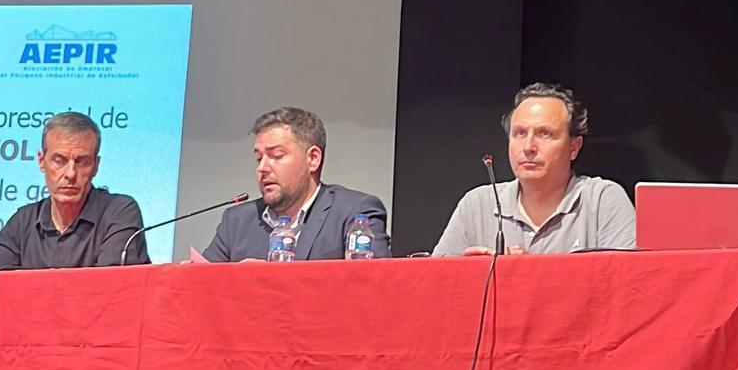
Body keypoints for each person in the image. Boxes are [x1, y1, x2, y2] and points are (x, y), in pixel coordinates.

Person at [432, 82, 634, 256]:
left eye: (544, 134)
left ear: (574, 147)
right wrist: (472, 274)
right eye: (519, 133)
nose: (528, 147)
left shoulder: (602, 201)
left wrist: (531, 273)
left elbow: (628, 287)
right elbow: (434, 284)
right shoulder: (477, 205)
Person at [0, 111, 148, 272]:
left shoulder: (120, 212)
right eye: (60, 160)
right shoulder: (23, 221)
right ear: (42, 162)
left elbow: (109, 287)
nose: (70, 174)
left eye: (82, 161)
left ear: (96, 166)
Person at [202, 107, 391, 261]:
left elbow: (373, 289)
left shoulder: (354, 214)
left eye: (276, 156)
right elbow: (202, 290)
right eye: (259, 158)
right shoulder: (237, 221)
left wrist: (262, 279)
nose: (263, 168)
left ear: (313, 159)